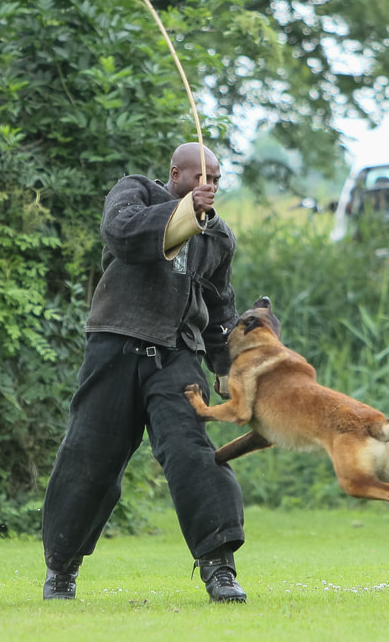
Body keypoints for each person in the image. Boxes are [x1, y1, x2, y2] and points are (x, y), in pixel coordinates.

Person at [41, 142, 247, 603]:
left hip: (178, 356)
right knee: (89, 456)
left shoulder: (218, 237)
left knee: (193, 452)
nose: (209, 186)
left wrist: (226, 367)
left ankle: (219, 568)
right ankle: (61, 569)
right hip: (114, 345)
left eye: (215, 180)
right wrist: (181, 213)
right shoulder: (134, 192)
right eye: (199, 177)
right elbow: (121, 234)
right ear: (176, 174)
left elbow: (220, 306)